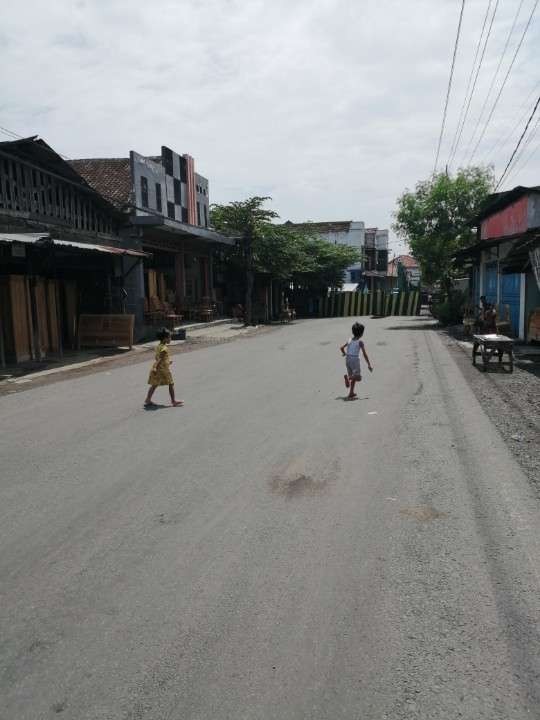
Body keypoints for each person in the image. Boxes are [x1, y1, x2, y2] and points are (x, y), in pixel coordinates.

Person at [144, 328, 183, 407]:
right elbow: (160, 359)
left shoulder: (159, 346)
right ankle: (173, 401)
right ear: (165, 338)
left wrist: (168, 362)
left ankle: (148, 399)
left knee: (154, 384)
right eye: (169, 337)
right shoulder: (164, 348)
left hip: (159, 369)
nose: (170, 339)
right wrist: (156, 367)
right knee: (171, 383)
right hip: (163, 370)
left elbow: (157, 357)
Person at [340, 322, 373, 400]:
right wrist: (369, 364)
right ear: (361, 334)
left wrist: (345, 354)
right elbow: (364, 354)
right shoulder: (360, 342)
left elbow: (341, 348)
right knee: (358, 378)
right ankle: (348, 378)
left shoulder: (349, 340)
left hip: (348, 359)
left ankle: (351, 392)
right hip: (354, 360)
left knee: (354, 377)